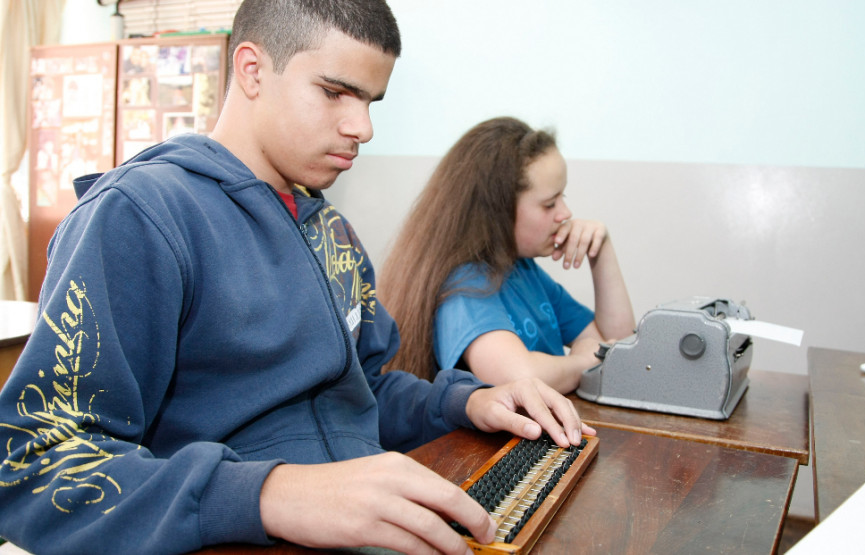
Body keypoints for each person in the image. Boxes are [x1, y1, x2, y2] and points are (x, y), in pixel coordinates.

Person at [0, 3, 595, 555]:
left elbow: (364, 393)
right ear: (253, 70)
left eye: (372, 102)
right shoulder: (141, 216)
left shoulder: (329, 230)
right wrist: (271, 494)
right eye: (336, 93)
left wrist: (468, 401)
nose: (362, 127)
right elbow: (28, 465)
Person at [379, 117, 636, 395]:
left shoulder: (523, 270)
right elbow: (521, 379)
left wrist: (602, 251)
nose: (565, 214)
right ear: (497, 211)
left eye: (563, 197)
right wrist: (585, 360)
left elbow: (619, 349)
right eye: (550, 204)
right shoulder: (463, 285)